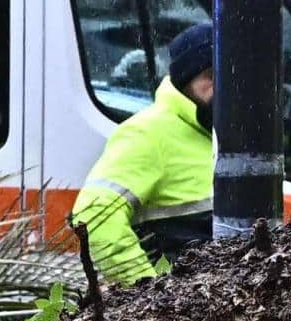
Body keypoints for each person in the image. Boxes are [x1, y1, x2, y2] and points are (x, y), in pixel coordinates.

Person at [69, 19, 215, 288]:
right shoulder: (148, 133)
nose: (224, 88)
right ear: (185, 81)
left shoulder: (225, 134)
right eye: (211, 76)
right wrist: (148, 294)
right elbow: (93, 217)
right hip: (185, 320)